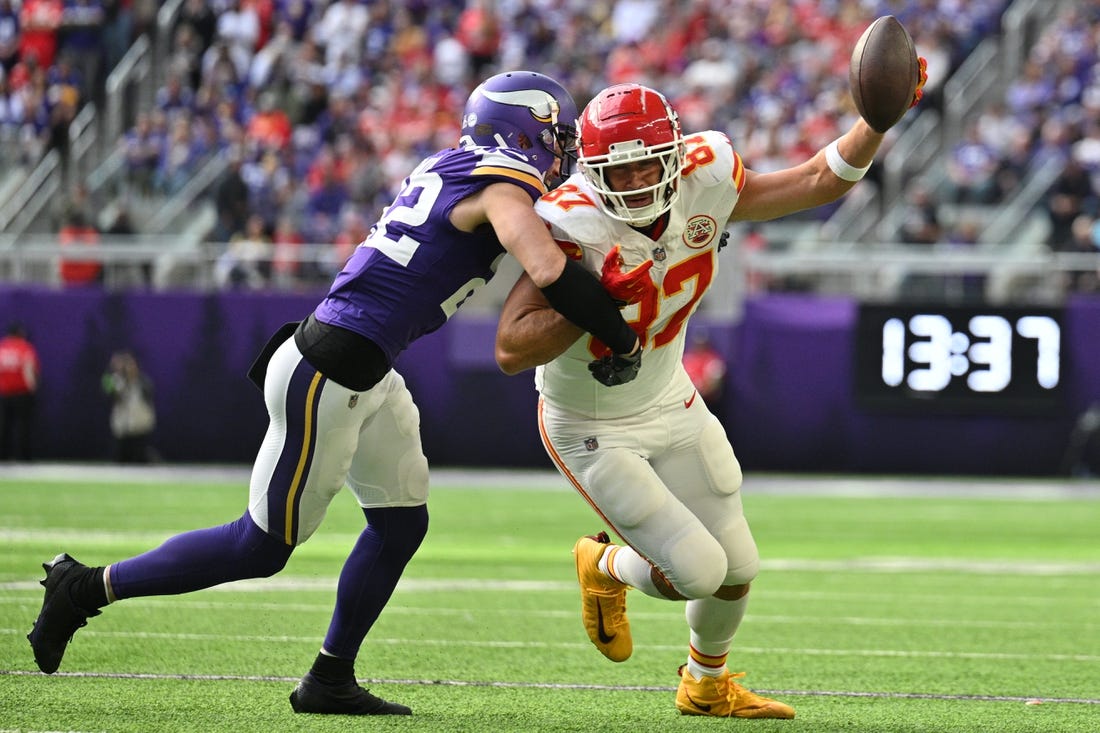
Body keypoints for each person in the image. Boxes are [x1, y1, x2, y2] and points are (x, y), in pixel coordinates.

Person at [26, 70, 641, 716]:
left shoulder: (459, 166)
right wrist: (621, 334)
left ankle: (329, 676)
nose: (564, 152)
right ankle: (86, 586)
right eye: (556, 137)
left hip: (364, 368)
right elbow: (547, 269)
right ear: (520, 132)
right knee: (258, 546)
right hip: (330, 371)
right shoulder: (499, 179)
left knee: (402, 520)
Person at [494, 61, 926, 719]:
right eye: (622, 171)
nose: (638, 182)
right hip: (591, 422)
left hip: (669, 396)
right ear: (592, 172)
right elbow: (510, 345)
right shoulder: (571, 223)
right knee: (694, 570)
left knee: (738, 565)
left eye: (649, 165)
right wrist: (592, 302)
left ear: (675, 151)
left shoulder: (706, 176)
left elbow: (816, 179)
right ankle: (604, 566)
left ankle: (704, 682)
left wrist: (874, 122)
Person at [102, 350, 157, 464]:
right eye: (126, 365)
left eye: (131, 364)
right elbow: (108, 390)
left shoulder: (143, 382)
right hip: (122, 432)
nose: (128, 368)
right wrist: (114, 369)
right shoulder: (117, 381)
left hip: (140, 430)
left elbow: (149, 394)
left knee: (141, 462)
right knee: (119, 463)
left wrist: (132, 378)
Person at [0, 322, 40, 461]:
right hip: (22, 393)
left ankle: (3, 456)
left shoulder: (2, 348)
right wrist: (32, 387)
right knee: (24, 426)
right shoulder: (24, 347)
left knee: (5, 426)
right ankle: (24, 457)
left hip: (4, 393)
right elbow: (28, 369)